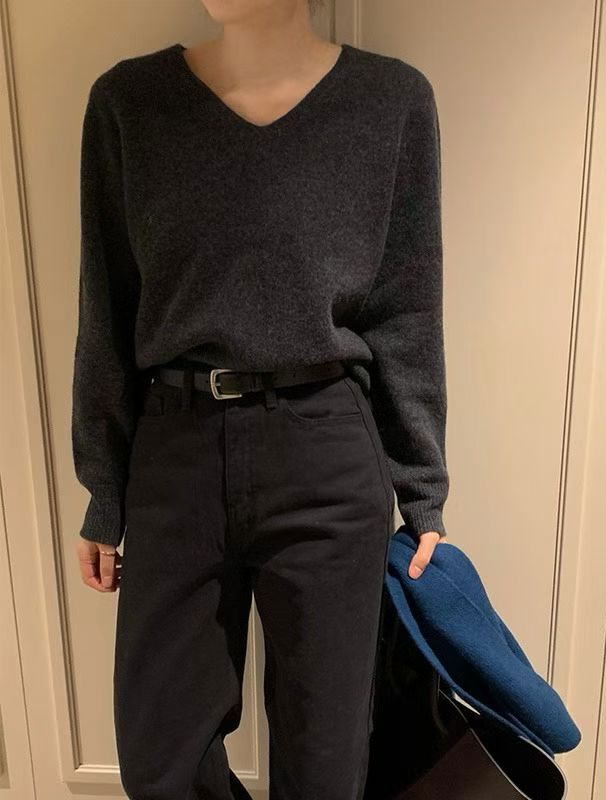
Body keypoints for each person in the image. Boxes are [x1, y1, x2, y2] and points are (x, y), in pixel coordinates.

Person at [71, 1, 449, 797]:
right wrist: (104, 489)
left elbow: (408, 311)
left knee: (325, 759)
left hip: (326, 446)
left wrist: (422, 490)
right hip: (175, 448)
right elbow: (106, 306)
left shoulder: (392, 102)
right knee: (162, 759)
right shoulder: (129, 104)